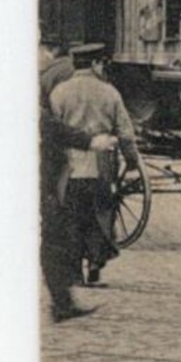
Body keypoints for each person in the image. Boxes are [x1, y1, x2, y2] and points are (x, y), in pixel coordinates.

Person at [49, 44, 140, 288]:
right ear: (94, 64)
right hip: (101, 164)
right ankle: (95, 266)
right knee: (100, 213)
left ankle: (75, 269)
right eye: (101, 64)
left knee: (72, 215)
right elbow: (125, 133)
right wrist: (131, 161)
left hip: (70, 165)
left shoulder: (59, 92)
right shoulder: (109, 93)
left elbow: (52, 129)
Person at [39, 37, 115, 322]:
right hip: (86, 170)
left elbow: (51, 123)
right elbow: (49, 126)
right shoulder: (109, 92)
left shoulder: (57, 91)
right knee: (87, 221)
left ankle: (63, 300)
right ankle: (65, 299)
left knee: (61, 231)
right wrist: (92, 141)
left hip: (65, 176)